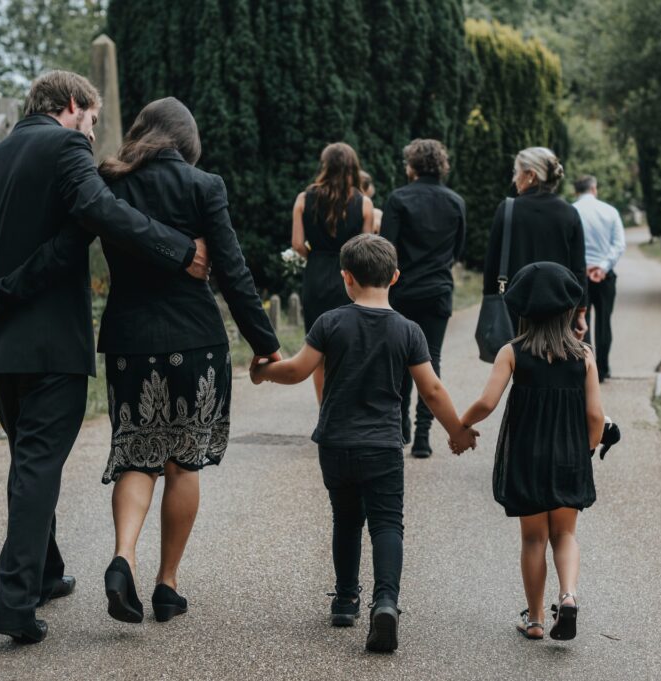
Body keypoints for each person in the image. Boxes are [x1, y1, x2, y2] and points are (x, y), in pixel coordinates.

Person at [0, 97, 281, 624]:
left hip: (129, 343)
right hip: (196, 341)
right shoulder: (205, 186)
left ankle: (123, 559)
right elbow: (232, 270)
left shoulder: (109, 183)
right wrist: (265, 344)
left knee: (138, 455)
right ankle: (166, 584)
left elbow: (64, 250)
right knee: (183, 463)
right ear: (187, 141)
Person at [0, 71, 210, 644]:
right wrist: (177, 248)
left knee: (28, 461)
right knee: (38, 466)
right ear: (73, 107)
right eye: (93, 121)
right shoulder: (67, 146)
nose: (94, 135)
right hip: (52, 348)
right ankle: (12, 603)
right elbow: (99, 216)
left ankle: (45, 573)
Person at [250, 234, 477, 653]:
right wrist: (457, 430)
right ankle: (385, 602)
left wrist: (264, 372)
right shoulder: (408, 330)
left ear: (346, 278)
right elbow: (431, 391)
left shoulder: (330, 322)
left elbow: (298, 371)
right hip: (383, 446)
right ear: (394, 277)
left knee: (346, 519)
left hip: (335, 443)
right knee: (387, 524)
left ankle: (344, 599)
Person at [460, 262, 605, 642]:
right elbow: (596, 415)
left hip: (527, 457)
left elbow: (487, 402)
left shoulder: (512, 352)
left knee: (533, 539)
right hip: (568, 456)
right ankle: (569, 596)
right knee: (566, 535)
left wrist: (461, 424)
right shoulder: (584, 356)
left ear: (522, 309)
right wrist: (585, 450)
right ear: (567, 310)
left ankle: (537, 619)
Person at [380, 139, 466, 458]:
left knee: (400, 358)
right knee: (432, 359)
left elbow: (386, 248)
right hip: (438, 290)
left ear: (412, 166)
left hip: (402, 290)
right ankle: (424, 437)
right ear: (441, 165)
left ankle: (400, 423)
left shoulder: (398, 199)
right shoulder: (456, 201)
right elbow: (459, 249)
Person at [291, 143, 375, 402]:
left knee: (319, 351)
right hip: (349, 279)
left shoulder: (304, 198)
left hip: (316, 276)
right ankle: (347, 410)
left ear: (325, 165)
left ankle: (324, 410)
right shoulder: (364, 204)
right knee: (351, 346)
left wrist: (315, 256)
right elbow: (366, 248)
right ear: (353, 167)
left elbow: (296, 244)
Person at [482, 147, 588, 338]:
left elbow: (492, 266)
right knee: (554, 362)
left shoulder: (507, 210)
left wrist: (490, 304)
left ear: (531, 175)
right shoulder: (569, 213)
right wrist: (580, 312)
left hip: (515, 309)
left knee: (516, 363)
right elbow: (579, 268)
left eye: (516, 172)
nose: (514, 179)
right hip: (559, 310)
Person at [573, 175, 625, 382]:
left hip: (579, 276)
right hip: (604, 276)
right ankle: (602, 369)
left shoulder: (572, 211)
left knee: (580, 322)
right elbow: (619, 244)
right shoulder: (610, 211)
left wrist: (583, 267)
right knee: (604, 322)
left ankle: (586, 369)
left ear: (576, 191)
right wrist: (602, 267)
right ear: (594, 188)